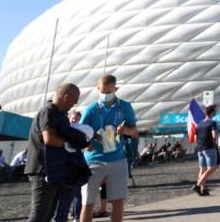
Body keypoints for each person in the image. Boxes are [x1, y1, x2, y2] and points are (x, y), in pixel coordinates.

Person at [25, 83, 88, 222]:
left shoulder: (60, 114)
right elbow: (49, 139)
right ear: (66, 97)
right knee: (40, 213)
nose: (75, 103)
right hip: (43, 170)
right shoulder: (49, 111)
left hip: (52, 169)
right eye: (75, 99)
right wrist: (71, 144)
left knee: (47, 213)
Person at [80, 75, 138, 222]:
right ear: (98, 89)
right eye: (102, 91)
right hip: (93, 160)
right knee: (87, 203)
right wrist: (91, 140)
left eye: (108, 92)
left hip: (117, 159)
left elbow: (133, 130)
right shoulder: (91, 109)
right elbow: (80, 134)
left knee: (118, 203)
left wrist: (125, 130)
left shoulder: (125, 107)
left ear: (115, 89)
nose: (105, 95)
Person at [193, 105, 219, 196]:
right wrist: (215, 142)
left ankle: (202, 189)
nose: (216, 112)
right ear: (212, 112)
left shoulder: (199, 123)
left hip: (200, 149)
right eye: (215, 111)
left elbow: (195, 138)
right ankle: (197, 185)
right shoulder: (212, 122)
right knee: (211, 168)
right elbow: (214, 135)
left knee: (202, 169)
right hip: (209, 147)